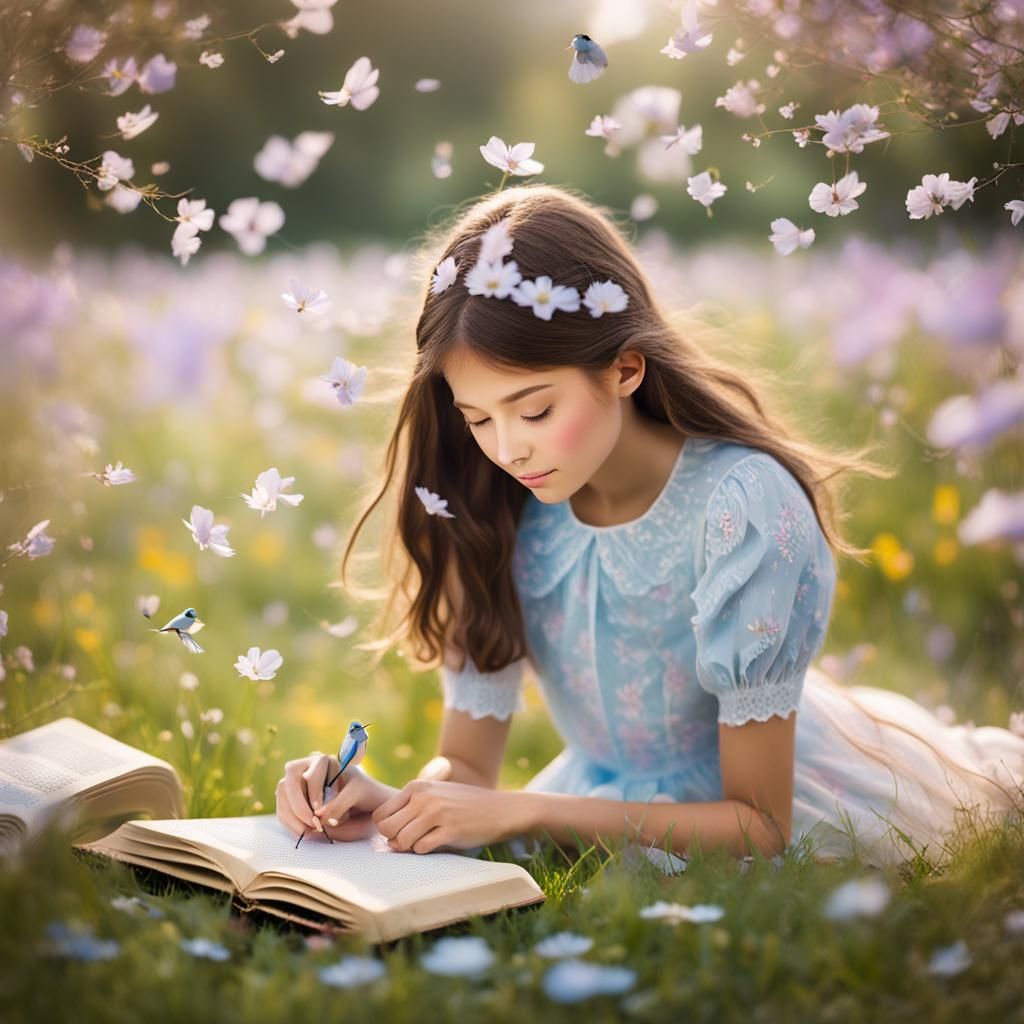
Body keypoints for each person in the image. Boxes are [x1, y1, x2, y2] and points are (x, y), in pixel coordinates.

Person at [275, 183, 1024, 870]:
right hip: (592, 797)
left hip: (771, 806)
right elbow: (469, 769)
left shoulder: (741, 506)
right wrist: (386, 800)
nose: (508, 448)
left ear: (626, 369)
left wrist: (528, 809)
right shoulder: (492, 504)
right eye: (476, 417)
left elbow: (761, 824)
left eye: (536, 410)